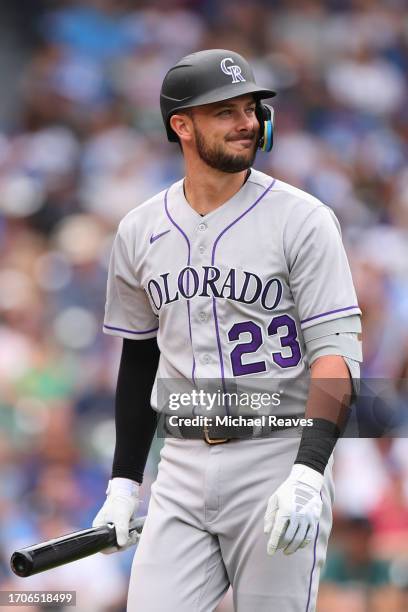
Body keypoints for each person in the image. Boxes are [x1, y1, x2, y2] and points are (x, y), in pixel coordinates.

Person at [92, 49, 362, 611]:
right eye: (225, 111)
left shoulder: (302, 217)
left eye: (251, 107)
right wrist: (124, 483)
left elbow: (336, 356)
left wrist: (308, 472)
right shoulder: (139, 228)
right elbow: (140, 356)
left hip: (277, 456)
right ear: (181, 125)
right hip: (182, 464)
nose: (247, 122)